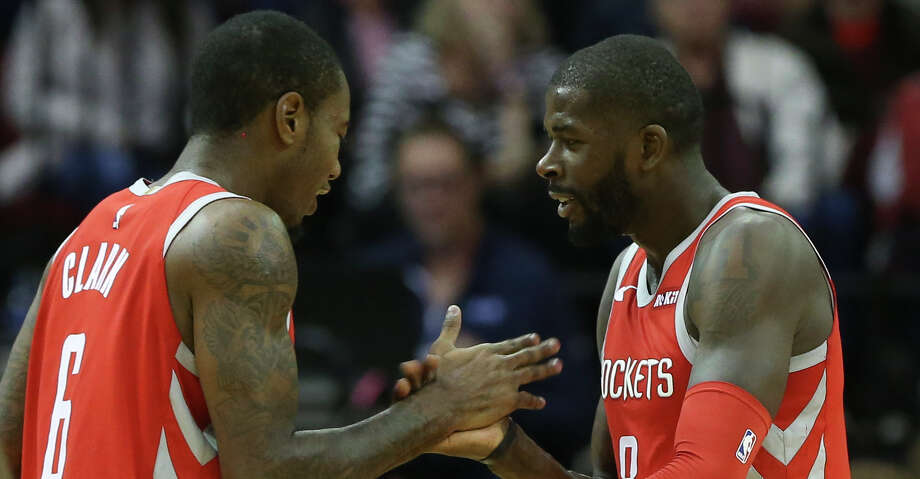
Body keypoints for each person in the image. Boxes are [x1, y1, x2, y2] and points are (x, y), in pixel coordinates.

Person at [0, 11, 564, 477]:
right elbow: (268, 471)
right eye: (337, 133)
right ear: (290, 118)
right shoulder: (238, 234)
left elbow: (10, 428)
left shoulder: (85, 233)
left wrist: (420, 418)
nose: (338, 167)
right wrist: (445, 408)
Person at [400, 34, 849, 478]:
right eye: (548, 140)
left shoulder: (751, 251)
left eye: (571, 142)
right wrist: (500, 444)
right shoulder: (626, 274)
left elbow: (708, 471)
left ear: (648, 148)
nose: (546, 163)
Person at [361, 116, 594, 477]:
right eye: (416, 186)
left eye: (446, 184)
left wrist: (492, 393)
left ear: (475, 182)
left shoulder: (527, 278)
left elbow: (577, 412)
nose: (431, 200)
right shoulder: (371, 276)